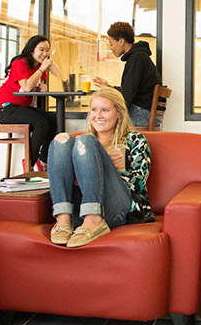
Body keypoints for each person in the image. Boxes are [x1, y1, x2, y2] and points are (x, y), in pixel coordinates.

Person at [46, 87, 154, 248]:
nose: (98, 116)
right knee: (61, 139)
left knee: (86, 141)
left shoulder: (135, 140)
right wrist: (80, 173)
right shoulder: (77, 145)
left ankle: (94, 219)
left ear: (119, 113)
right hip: (79, 210)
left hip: (117, 208)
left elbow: (139, 184)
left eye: (105, 110)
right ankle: (63, 220)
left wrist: (105, 165)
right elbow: (60, 178)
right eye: (94, 110)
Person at [0, 35, 66, 168]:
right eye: (41, 50)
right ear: (32, 50)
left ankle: (43, 159)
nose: (45, 53)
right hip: (6, 109)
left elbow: (59, 75)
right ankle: (29, 162)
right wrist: (42, 68)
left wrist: (41, 87)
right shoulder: (20, 63)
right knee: (42, 123)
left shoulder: (38, 66)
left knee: (55, 119)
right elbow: (27, 87)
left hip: (21, 108)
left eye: (47, 50)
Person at [93, 21, 160, 127]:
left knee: (98, 118)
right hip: (145, 112)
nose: (111, 48)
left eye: (111, 43)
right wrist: (108, 87)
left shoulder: (136, 58)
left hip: (142, 114)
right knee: (102, 116)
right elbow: (128, 91)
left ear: (121, 41)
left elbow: (126, 97)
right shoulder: (139, 56)